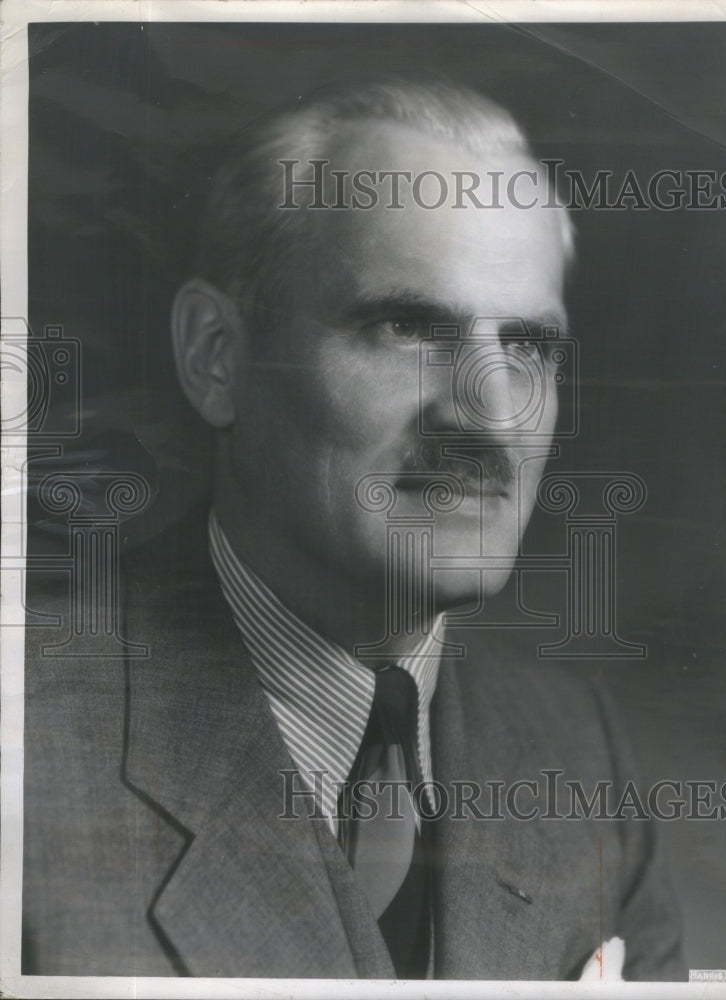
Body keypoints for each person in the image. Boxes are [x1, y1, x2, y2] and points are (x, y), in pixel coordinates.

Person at [22, 78, 684, 980]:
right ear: (216, 356)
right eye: (409, 326)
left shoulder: (581, 754)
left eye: (528, 345)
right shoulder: (29, 763)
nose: (490, 418)